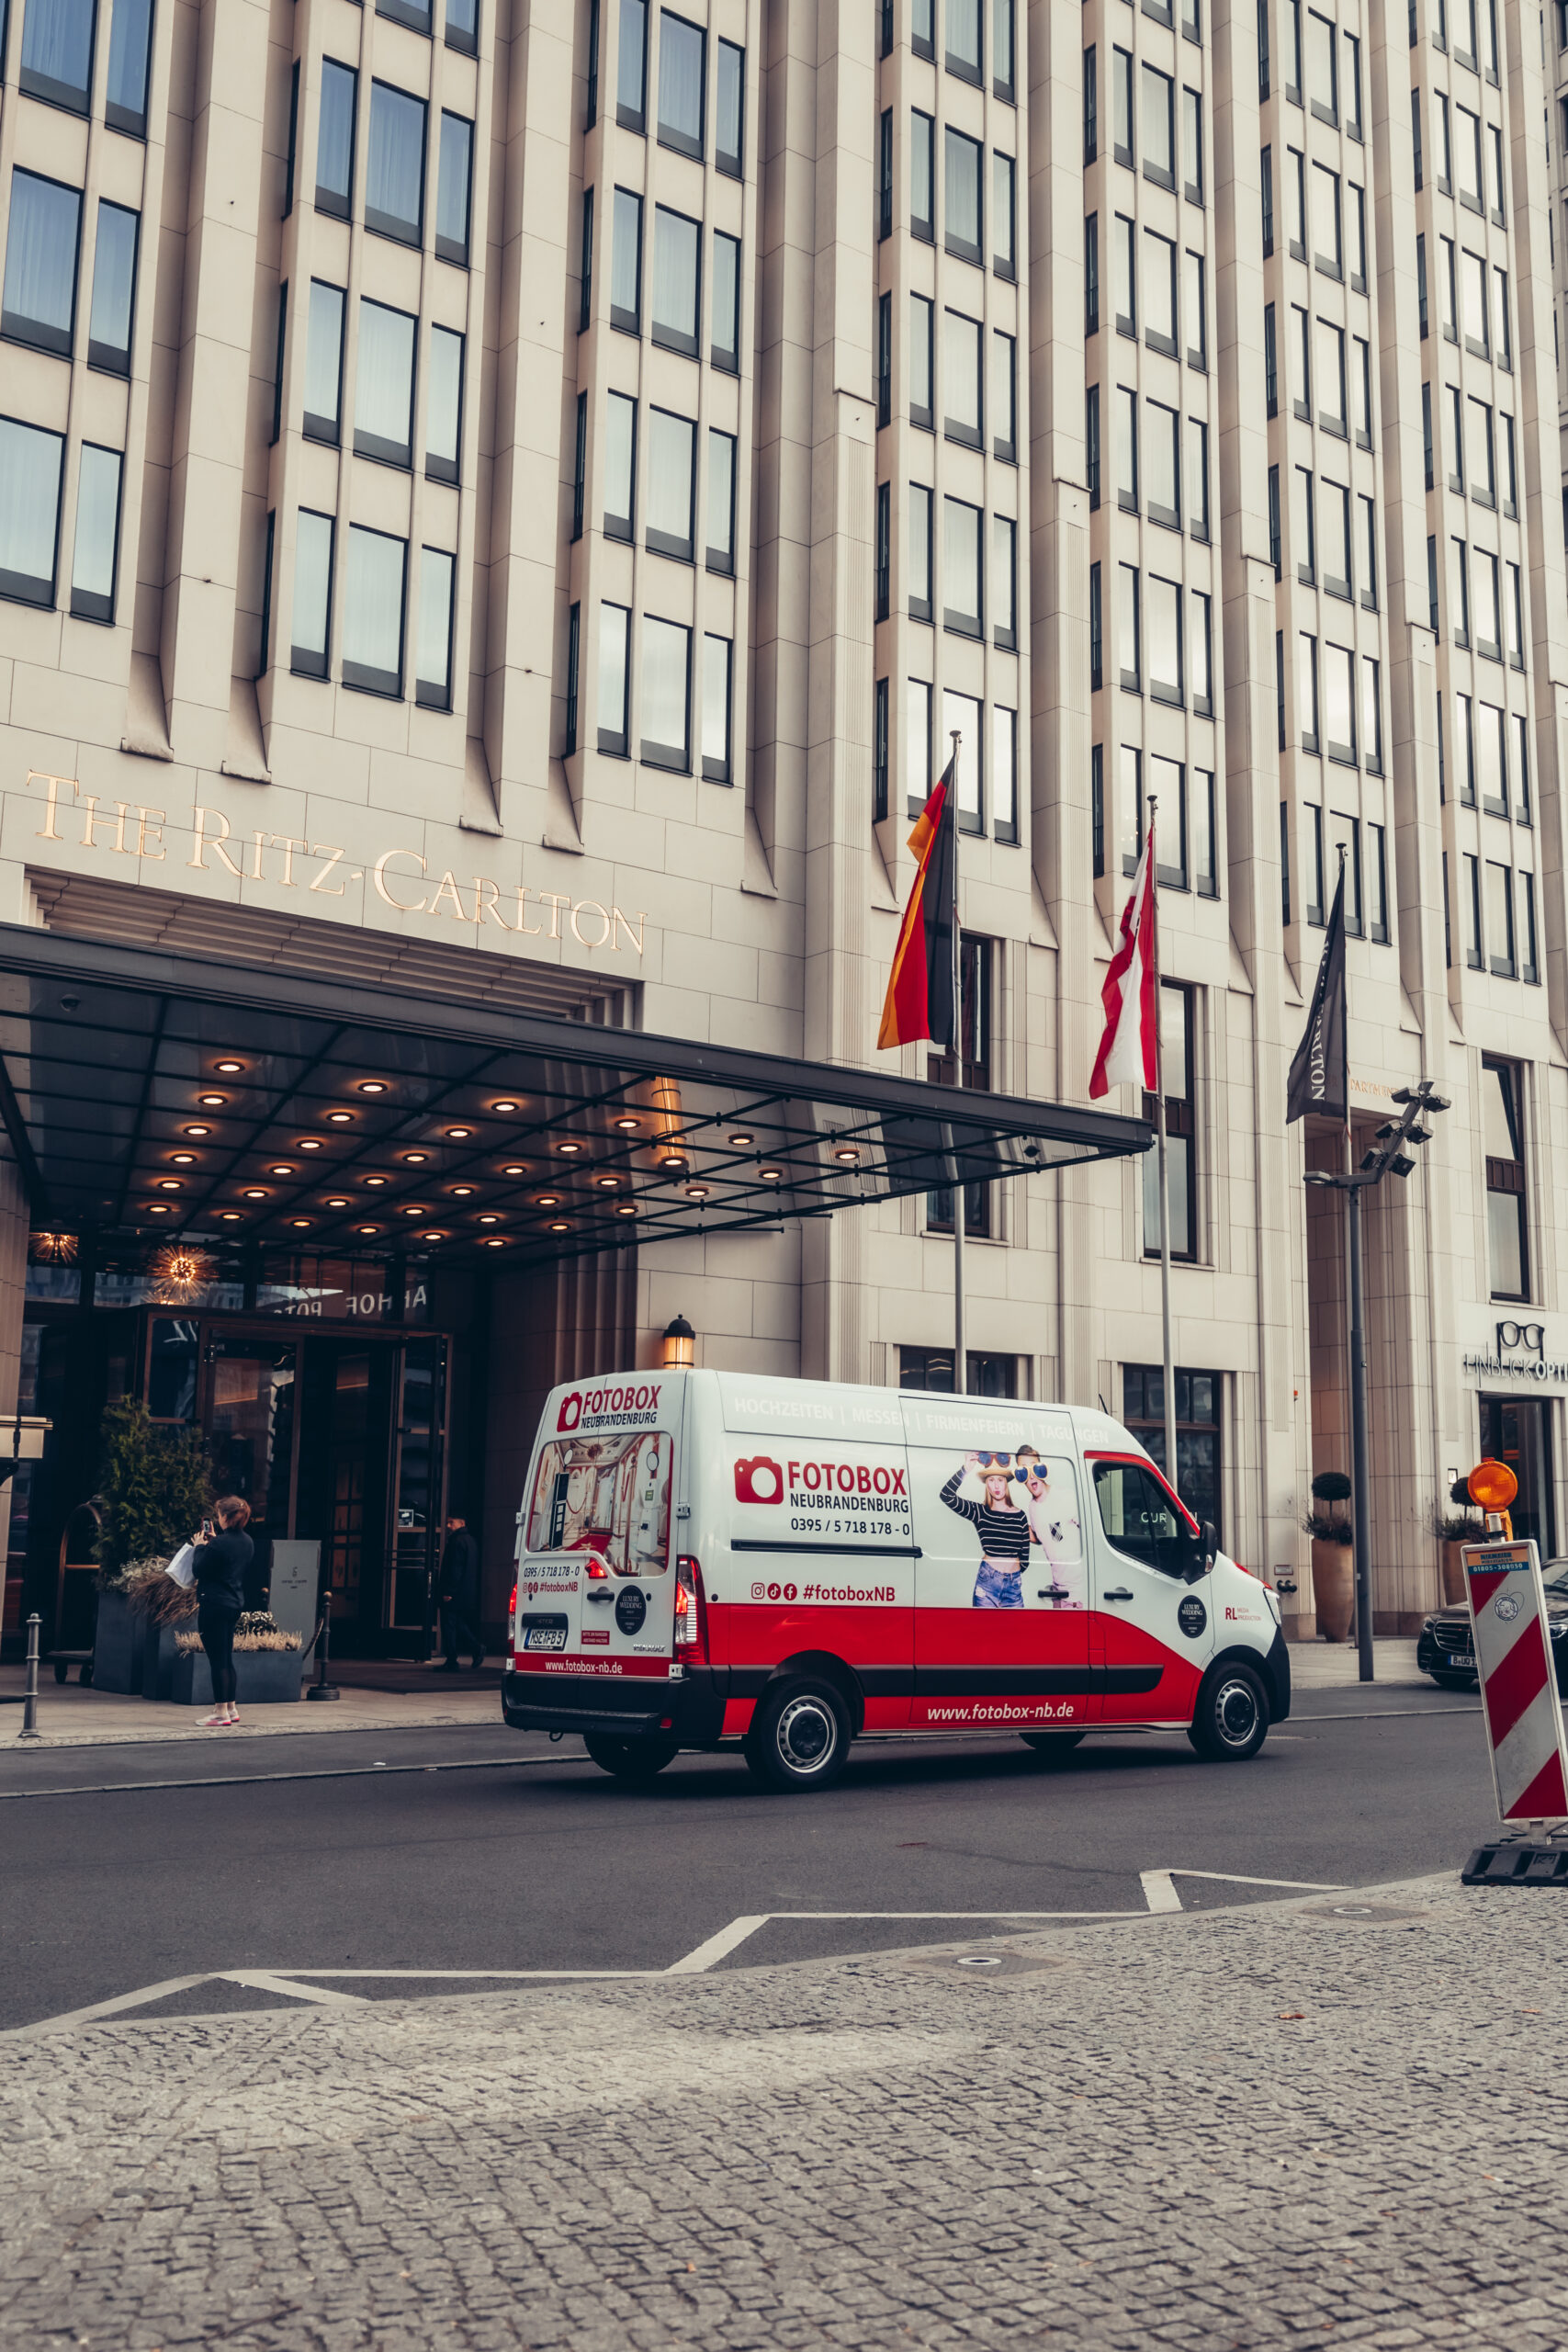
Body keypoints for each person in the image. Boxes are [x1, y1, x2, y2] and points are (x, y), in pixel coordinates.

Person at [939, 1453, 1032, 1608]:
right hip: (987, 1584)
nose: (996, 1486)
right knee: (983, 1631)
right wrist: (965, 1469)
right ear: (986, 1485)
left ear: (1006, 1484)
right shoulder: (980, 1512)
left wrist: (1011, 1575)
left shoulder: (1020, 1516)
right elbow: (946, 1495)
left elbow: (1025, 1558)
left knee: (1015, 1631)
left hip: (1013, 1586)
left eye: (1000, 1480)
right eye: (991, 1480)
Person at [194, 1496, 253, 1727]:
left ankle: (220, 1712)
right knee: (226, 1657)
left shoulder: (219, 1544)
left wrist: (200, 1547)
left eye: (219, 1514)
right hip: (234, 1603)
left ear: (225, 1517)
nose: (217, 1518)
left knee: (217, 1660)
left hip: (214, 1604)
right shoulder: (247, 1542)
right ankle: (231, 1707)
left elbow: (199, 1568)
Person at [436, 1514, 483, 1670]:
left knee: (449, 1625)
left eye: (452, 1522)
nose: (449, 1526)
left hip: (454, 1592)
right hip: (465, 1591)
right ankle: (476, 1648)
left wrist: (448, 1591)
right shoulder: (471, 1541)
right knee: (457, 1623)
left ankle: (452, 1660)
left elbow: (455, 1569)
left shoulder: (456, 1541)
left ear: (462, 1523)